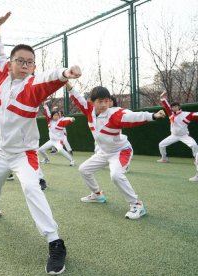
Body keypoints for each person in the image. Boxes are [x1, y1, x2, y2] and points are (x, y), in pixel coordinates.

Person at [0, 12, 82, 275]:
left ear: (33, 66)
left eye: (29, 62)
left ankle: (55, 241)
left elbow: (49, 77)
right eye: (20, 60)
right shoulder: (1, 76)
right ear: (10, 64)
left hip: (24, 154)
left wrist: (66, 72)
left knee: (32, 188)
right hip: (3, 151)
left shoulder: (33, 86)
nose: (24, 64)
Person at [67, 82, 166, 220]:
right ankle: (97, 195)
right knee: (84, 169)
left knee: (116, 175)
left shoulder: (115, 113)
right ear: (93, 102)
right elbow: (78, 98)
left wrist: (153, 116)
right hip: (103, 152)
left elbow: (133, 116)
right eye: (100, 101)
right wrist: (68, 85)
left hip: (121, 151)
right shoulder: (89, 110)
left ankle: (137, 205)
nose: (104, 104)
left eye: (106, 101)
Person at [157, 92, 198, 181]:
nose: (174, 108)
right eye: (173, 107)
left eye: (176, 106)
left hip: (184, 136)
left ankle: (196, 159)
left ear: (179, 107)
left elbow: (195, 114)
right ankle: (164, 159)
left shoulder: (186, 114)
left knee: (194, 145)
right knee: (161, 144)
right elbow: (166, 106)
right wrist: (162, 98)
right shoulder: (171, 114)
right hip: (173, 136)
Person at [39, 99, 75, 166]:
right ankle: (47, 159)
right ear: (52, 116)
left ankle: (72, 160)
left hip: (58, 141)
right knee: (41, 150)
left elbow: (66, 120)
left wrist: (71, 119)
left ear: (59, 116)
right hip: (51, 141)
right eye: (55, 115)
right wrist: (45, 105)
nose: (56, 116)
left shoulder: (61, 122)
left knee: (60, 150)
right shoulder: (49, 121)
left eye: (57, 115)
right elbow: (47, 113)